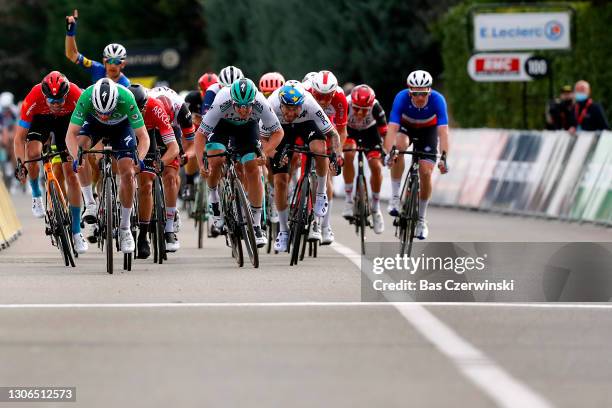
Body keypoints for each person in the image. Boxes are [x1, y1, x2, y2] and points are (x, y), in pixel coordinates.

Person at [194, 78, 284, 248]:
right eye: (239, 106)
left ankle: (256, 225)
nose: (243, 110)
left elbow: (278, 132)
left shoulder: (260, 102)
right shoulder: (222, 100)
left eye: (247, 106)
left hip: (247, 128)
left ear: (253, 102)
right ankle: (214, 200)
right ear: (232, 101)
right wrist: (201, 163)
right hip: (222, 125)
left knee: (253, 167)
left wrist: (264, 153)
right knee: (216, 159)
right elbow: (200, 135)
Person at [66, 78, 150, 254]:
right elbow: (71, 135)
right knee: (80, 150)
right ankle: (90, 203)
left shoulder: (126, 98)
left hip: (122, 126)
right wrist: (76, 158)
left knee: (127, 172)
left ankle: (125, 228)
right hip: (94, 125)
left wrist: (139, 159)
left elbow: (143, 137)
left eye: (108, 111)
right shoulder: (87, 96)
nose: (105, 115)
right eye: (101, 111)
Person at [13, 71, 89, 253]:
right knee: (33, 152)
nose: (55, 105)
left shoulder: (76, 94)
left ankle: (77, 232)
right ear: (44, 95)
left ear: (66, 95)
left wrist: (81, 153)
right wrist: (19, 164)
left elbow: (86, 129)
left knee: (71, 174)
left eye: (59, 101)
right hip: (41, 120)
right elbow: (19, 138)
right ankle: (37, 195)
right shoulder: (34, 96)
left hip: (67, 123)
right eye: (51, 101)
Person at [265, 83, 341, 252]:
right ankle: (284, 231)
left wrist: (336, 155)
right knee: (280, 181)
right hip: (280, 130)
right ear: (281, 104)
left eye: (295, 109)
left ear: (302, 104)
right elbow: (262, 139)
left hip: (306, 124)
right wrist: (274, 155)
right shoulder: (271, 105)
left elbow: (333, 133)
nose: (291, 113)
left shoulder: (310, 103)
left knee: (320, 149)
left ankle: (321, 193)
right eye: (287, 109)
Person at [384, 70, 449, 240]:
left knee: (426, 172)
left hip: (428, 131)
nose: (420, 97)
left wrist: (444, 156)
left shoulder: (438, 100)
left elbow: (443, 132)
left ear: (429, 91)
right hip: (406, 128)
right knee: (399, 146)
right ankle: (396, 197)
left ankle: (421, 219)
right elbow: (392, 127)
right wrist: (389, 151)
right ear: (409, 90)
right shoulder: (401, 98)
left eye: (423, 93)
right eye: (415, 93)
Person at [128, 84, 180, 257]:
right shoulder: (121, 107)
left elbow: (173, 147)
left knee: (146, 184)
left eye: (142, 108)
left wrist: (163, 163)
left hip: (150, 136)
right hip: (128, 134)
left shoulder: (155, 107)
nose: (140, 112)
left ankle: (143, 236)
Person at [304, 70, 347, 245]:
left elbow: (342, 131)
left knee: (327, 172)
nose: (322, 101)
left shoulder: (340, 99)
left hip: (329, 127)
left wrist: (338, 153)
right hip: (307, 124)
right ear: (312, 91)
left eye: (327, 97)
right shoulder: (305, 93)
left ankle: (325, 225)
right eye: (319, 96)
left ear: (334, 93)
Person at [342, 84, 387, 234]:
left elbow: (385, 134)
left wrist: (385, 152)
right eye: (356, 109)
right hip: (351, 132)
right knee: (348, 154)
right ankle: (349, 200)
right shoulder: (346, 104)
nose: (360, 113)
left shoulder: (376, 107)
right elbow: (339, 129)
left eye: (364, 110)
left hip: (370, 134)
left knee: (376, 166)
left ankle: (375, 208)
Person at [64, 9, 130, 87]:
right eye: (109, 61)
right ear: (104, 62)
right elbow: (71, 54)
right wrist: (70, 32)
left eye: (117, 62)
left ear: (123, 64)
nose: (112, 65)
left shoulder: (126, 85)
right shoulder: (97, 68)